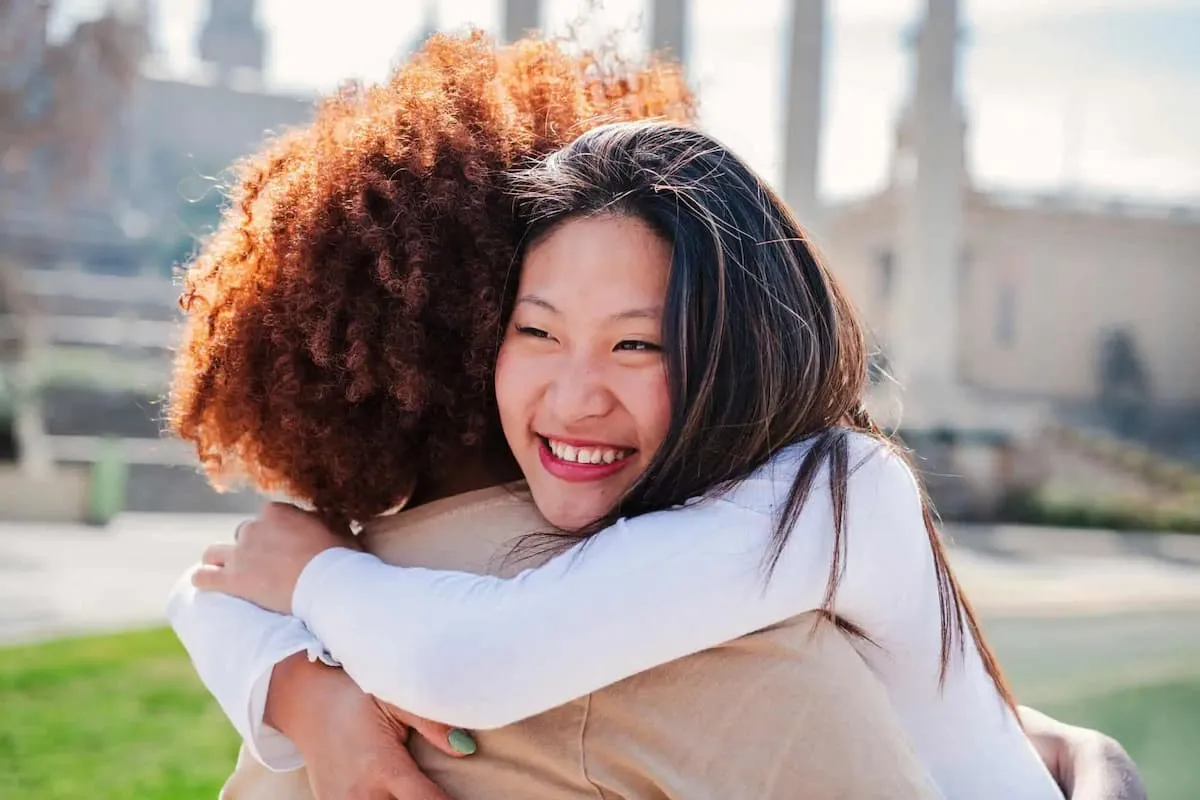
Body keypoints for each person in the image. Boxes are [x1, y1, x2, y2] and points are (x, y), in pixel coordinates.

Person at [168, 34, 1144, 800]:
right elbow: (207, 592)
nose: (577, 390)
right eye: (536, 329)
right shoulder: (683, 521)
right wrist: (310, 684)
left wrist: (310, 576)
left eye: (640, 343)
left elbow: (469, 658)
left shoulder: (833, 488)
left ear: (737, 346)